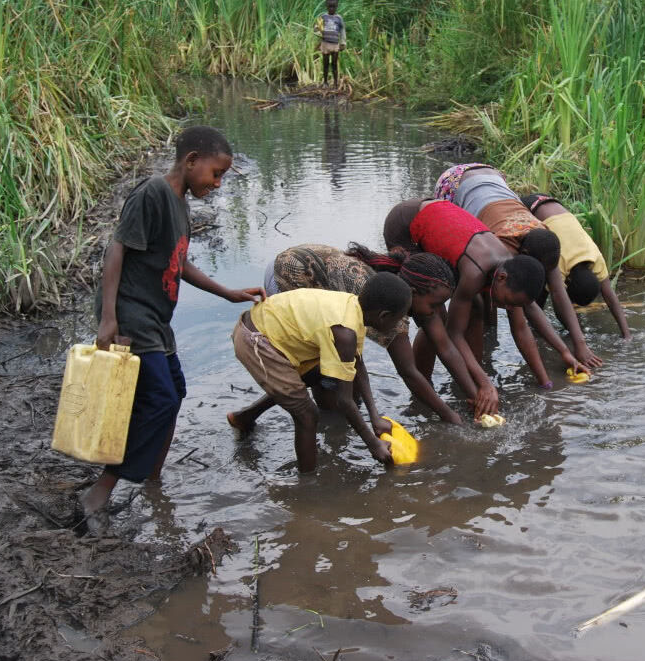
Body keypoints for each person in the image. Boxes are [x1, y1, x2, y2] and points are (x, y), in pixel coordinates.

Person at [82, 126, 265, 528]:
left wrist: (228, 293)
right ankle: (102, 489)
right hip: (132, 314)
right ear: (191, 160)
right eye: (215, 174)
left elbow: (179, 264)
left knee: (176, 391)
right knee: (161, 398)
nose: (217, 184)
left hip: (156, 318)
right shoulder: (153, 193)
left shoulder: (179, 205)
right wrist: (109, 317)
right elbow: (117, 250)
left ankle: (153, 479)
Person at [383, 199, 592, 417]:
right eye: (508, 302)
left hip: (444, 227)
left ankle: (471, 386)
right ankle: (422, 397)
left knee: (475, 309)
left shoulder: (507, 273)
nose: (508, 308)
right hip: (406, 225)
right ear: (501, 278)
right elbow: (454, 334)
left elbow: (521, 330)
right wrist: (486, 383)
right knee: (433, 317)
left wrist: (546, 383)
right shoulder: (475, 273)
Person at [255, 243, 463, 424]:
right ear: (413, 294)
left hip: (302, 270)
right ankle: (328, 429)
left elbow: (358, 361)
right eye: (435, 305)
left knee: (343, 382)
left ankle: (248, 415)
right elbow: (409, 372)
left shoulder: (387, 292)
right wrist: (449, 415)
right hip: (288, 274)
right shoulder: (390, 310)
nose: (437, 312)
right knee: (323, 375)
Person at [227, 274, 410, 472]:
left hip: (262, 328)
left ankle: (243, 418)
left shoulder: (352, 308)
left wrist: (375, 417)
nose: (399, 324)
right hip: (256, 342)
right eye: (399, 319)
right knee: (307, 414)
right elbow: (344, 400)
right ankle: (308, 486)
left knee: (316, 376)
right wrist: (373, 444)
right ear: (384, 316)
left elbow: (357, 365)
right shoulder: (344, 331)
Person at [434, 164, 603, 369]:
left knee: (499, 292)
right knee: (479, 295)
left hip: (493, 177)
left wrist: (579, 345)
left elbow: (559, 292)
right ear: (523, 255)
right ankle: (486, 336)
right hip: (455, 183)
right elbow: (519, 318)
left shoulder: (544, 242)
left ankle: (488, 333)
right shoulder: (502, 246)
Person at [521, 193, 631, 339]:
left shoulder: (596, 259)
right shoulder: (560, 262)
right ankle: (533, 324)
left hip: (551, 202)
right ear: (569, 282)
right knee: (541, 282)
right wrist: (577, 333)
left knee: (544, 278)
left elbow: (610, 297)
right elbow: (559, 305)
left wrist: (626, 334)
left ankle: (534, 323)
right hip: (529, 209)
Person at [315, 0, 346, 88]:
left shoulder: (339, 18)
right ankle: (325, 82)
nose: (331, 9)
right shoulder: (323, 17)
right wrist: (317, 31)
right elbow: (317, 27)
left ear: (336, 7)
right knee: (325, 64)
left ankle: (335, 83)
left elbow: (342, 30)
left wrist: (343, 43)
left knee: (334, 64)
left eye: (333, 7)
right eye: (330, 7)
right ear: (327, 6)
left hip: (335, 45)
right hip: (325, 44)